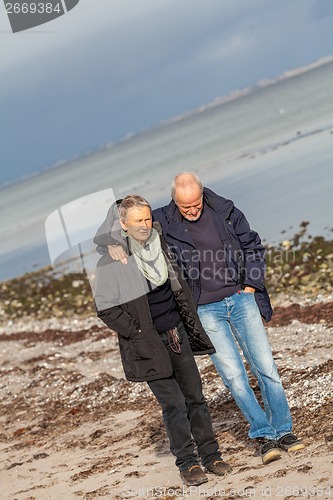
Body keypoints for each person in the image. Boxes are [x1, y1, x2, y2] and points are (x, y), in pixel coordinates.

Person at [96, 174, 305, 465]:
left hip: (241, 298)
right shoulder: (162, 221)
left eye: (196, 204)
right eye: (185, 207)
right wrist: (110, 242)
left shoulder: (225, 211)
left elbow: (252, 245)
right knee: (234, 376)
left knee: (266, 368)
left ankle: (284, 431)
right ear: (174, 201)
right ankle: (264, 435)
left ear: (203, 195)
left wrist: (251, 285)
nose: (192, 211)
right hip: (205, 310)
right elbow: (123, 220)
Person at [94, 195, 231, 486]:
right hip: (147, 344)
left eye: (147, 219)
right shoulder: (112, 260)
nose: (144, 225)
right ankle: (188, 463)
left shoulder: (162, 243)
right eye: (137, 221)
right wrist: (137, 331)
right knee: (174, 405)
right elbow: (105, 307)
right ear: (123, 224)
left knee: (195, 398)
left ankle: (211, 455)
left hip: (177, 334)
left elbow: (187, 213)